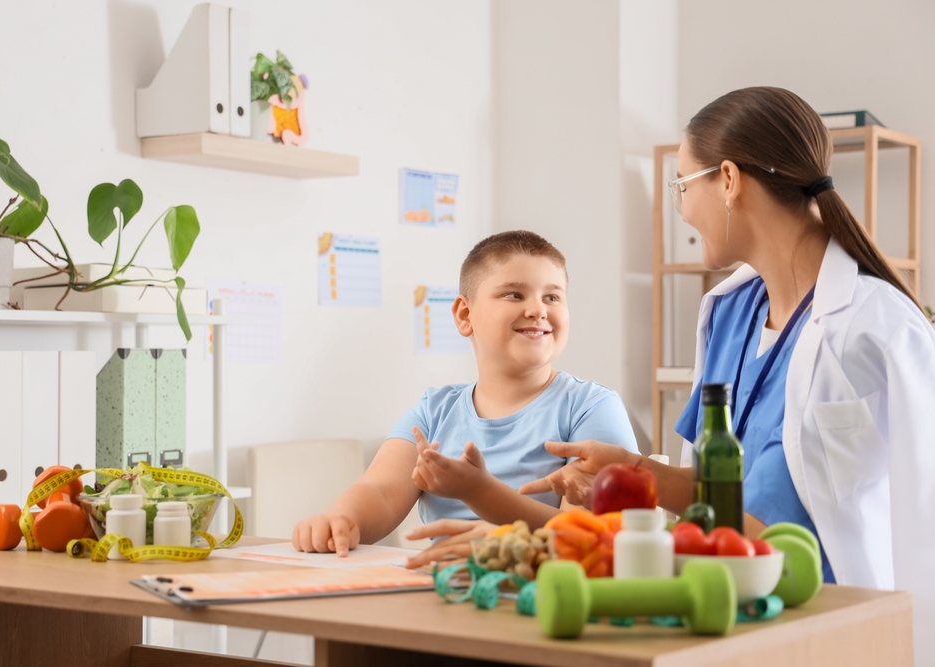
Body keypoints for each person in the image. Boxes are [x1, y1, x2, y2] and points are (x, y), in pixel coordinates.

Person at [517, 86, 935, 651]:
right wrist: (633, 472)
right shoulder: (726, 311)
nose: (683, 209)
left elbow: (924, 517)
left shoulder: (879, 326)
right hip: (724, 618)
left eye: (683, 187)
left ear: (730, 181)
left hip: (828, 632)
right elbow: (721, 497)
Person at [291, 230, 638, 557]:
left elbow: (588, 538)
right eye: (514, 294)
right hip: (443, 595)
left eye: (552, 296)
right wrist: (342, 520)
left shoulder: (592, 408)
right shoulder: (434, 411)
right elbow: (380, 491)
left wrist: (479, 491)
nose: (538, 309)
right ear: (464, 314)